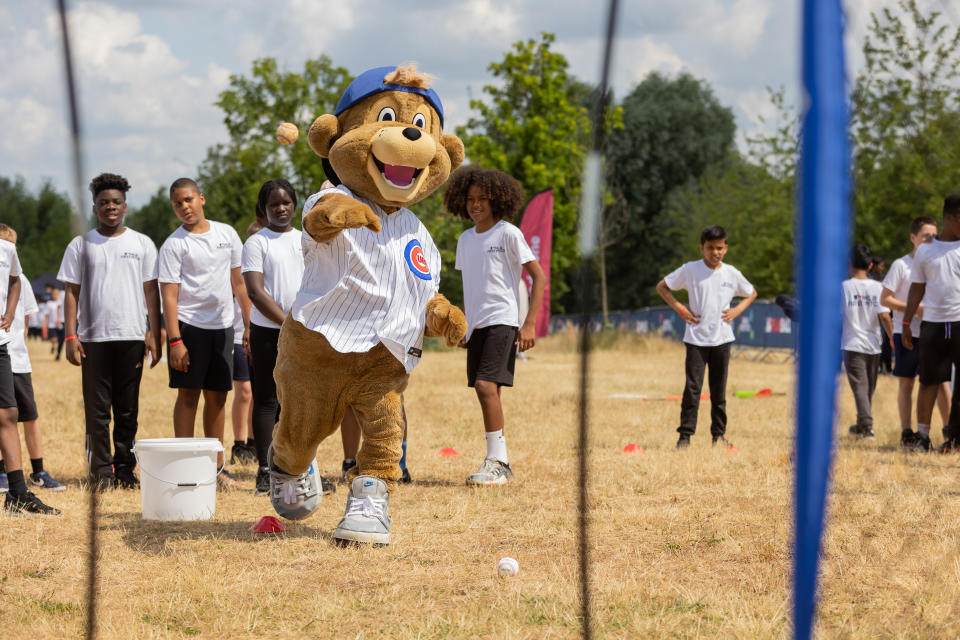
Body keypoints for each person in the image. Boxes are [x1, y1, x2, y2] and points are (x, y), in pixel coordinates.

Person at [59, 173, 162, 490]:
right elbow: (71, 293)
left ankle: (124, 471)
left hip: (132, 337)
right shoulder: (81, 244)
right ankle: (101, 472)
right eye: (104, 203)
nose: (110, 207)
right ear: (95, 207)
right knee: (97, 412)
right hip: (94, 340)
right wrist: (70, 336)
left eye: (115, 202)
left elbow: (151, 292)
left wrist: (153, 333)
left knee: (128, 411)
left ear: (125, 206)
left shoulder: (142, 243)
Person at [444, 166, 546, 485]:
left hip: (503, 320)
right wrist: (465, 325)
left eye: (483, 199)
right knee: (490, 391)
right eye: (471, 199)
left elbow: (539, 276)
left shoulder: (508, 233)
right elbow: (471, 287)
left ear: (498, 200)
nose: (476, 205)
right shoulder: (464, 240)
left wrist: (528, 325)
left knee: (485, 387)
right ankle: (499, 461)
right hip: (477, 326)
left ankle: (497, 462)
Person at [158, 178, 251, 489]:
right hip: (188, 329)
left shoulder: (226, 234)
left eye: (189, 200)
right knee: (188, 397)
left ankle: (217, 470)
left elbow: (240, 284)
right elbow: (168, 296)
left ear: (202, 198)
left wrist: (249, 325)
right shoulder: (174, 244)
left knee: (218, 398)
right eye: (177, 203)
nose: (184, 207)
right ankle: (183, 470)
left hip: (223, 329)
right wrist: (174, 340)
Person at [655, 225, 758, 449]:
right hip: (696, 339)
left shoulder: (731, 273)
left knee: (718, 390)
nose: (715, 253)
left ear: (726, 248)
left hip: (722, 339)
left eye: (719, 248)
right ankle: (685, 436)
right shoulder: (690, 270)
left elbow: (752, 293)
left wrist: (737, 310)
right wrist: (681, 309)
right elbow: (662, 287)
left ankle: (718, 436)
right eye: (710, 248)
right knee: (693, 389)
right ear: (701, 247)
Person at [0, 225, 65, 492]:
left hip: (15, 358)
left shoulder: (21, 280)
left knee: (29, 416)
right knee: (5, 417)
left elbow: (25, 323)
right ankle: (4, 471)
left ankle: (38, 469)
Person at [880, 216, 952, 448]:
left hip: (936, 331)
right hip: (907, 331)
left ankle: (950, 431)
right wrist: (913, 310)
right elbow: (885, 298)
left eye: (934, 236)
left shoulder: (939, 259)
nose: (930, 240)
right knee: (907, 383)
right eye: (925, 236)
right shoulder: (901, 265)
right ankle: (907, 431)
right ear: (913, 238)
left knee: (941, 383)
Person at [902, 195, 960, 452]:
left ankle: (955, 438)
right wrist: (906, 321)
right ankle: (923, 437)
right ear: (951, 217)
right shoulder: (926, 250)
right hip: (933, 325)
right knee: (928, 381)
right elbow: (916, 288)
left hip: (959, 322)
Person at [840, 243, 894, 439]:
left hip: (852, 344)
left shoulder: (844, 287)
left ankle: (866, 426)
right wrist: (892, 337)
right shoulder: (878, 287)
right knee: (868, 387)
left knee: (862, 388)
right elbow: (885, 317)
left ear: (848, 264)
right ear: (871, 265)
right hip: (874, 345)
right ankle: (864, 424)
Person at [229, 296, 255, 466]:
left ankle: (254, 443)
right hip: (239, 332)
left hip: (263, 330)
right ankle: (239, 445)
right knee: (245, 391)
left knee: (258, 392)